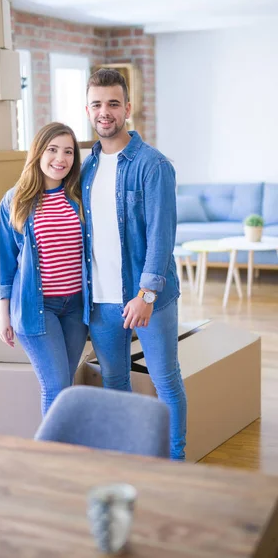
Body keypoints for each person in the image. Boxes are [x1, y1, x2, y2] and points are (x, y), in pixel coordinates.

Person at [81, 68, 187, 460]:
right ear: (88, 110)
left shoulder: (153, 165)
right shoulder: (87, 167)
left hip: (148, 298)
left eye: (112, 103)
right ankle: (130, 458)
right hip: (102, 300)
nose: (104, 112)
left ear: (127, 108)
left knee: (165, 381)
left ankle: (174, 462)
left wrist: (146, 294)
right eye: (96, 104)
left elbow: (162, 237)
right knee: (115, 380)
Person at [0, 122, 89, 416]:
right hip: (37, 308)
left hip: (76, 308)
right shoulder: (16, 200)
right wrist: (3, 315)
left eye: (68, 152)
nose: (60, 159)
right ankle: (52, 457)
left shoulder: (79, 197)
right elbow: (5, 261)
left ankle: (63, 449)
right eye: (52, 149)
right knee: (56, 384)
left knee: (66, 384)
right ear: (38, 152)